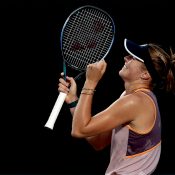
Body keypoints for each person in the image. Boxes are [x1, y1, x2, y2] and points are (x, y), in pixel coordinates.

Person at [58, 38, 175, 175]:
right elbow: (97, 141)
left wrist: (90, 82)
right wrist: (73, 100)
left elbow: (78, 130)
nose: (126, 58)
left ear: (145, 74)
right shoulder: (132, 97)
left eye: (133, 57)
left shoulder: (136, 102)